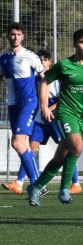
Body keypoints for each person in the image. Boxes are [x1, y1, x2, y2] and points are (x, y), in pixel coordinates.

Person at [27, 29, 83, 206]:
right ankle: (64, 190)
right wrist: (44, 107)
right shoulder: (64, 65)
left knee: (61, 156)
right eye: (82, 42)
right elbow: (45, 82)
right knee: (77, 147)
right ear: (75, 44)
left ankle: (36, 187)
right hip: (65, 113)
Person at [4, 50, 82, 196]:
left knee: (66, 149)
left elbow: (62, 99)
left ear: (50, 62)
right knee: (28, 148)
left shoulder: (56, 79)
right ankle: (19, 182)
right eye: (40, 60)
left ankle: (76, 183)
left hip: (53, 118)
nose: (42, 62)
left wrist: (49, 109)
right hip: (39, 119)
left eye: (45, 60)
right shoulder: (34, 78)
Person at [0, 23, 45, 195]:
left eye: (18, 34)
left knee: (17, 143)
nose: (15, 37)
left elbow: (44, 79)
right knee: (24, 145)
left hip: (29, 102)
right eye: (12, 34)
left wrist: (44, 102)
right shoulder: (3, 58)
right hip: (13, 106)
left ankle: (36, 183)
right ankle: (38, 184)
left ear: (23, 36)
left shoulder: (30, 56)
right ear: (8, 36)